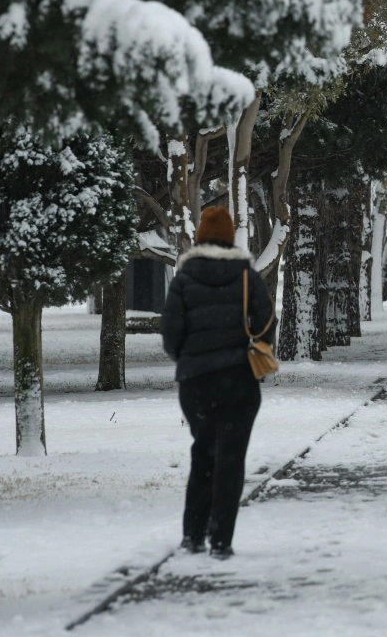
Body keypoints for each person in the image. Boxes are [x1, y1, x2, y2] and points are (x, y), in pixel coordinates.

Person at [161, 207, 275, 559]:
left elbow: (170, 335)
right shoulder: (246, 275)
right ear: (230, 239)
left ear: (199, 240)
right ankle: (221, 540)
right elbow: (267, 321)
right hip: (240, 379)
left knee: (203, 452)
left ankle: (192, 535)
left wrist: (191, 358)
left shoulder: (183, 279)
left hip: (196, 382)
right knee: (231, 458)